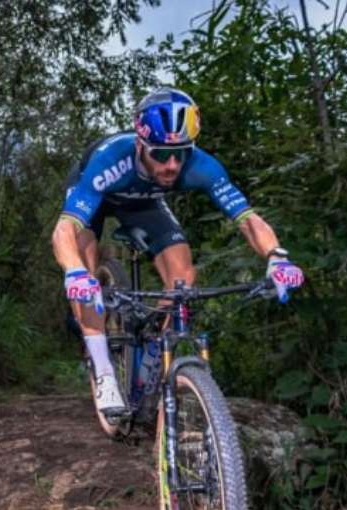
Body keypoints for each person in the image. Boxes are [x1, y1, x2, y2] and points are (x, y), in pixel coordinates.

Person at [51, 87, 305, 417]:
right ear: (140, 145)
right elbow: (64, 229)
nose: (172, 165)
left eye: (181, 154)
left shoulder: (202, 166)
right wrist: (74, 272)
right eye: (160, 155)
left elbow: (248, 219)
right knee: (84, 267)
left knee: (183, 276)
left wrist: (277, 257)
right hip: (96, 199)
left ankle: (157, 350)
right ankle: (103, 371)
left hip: (144, 202)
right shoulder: (110, 159)